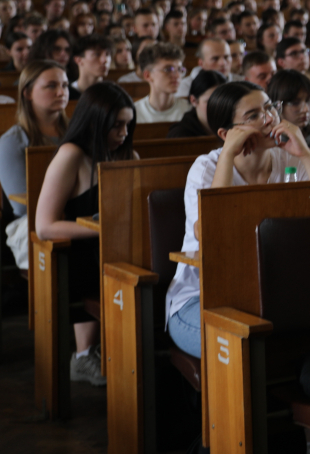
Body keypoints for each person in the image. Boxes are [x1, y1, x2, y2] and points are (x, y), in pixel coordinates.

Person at [164, 81, 310, 358]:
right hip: (200, 298)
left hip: (271, 291)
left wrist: (307, 154)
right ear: (226, 133)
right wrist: (228, 154)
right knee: (244, 345)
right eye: (253, 116)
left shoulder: (290, 159)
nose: (269, 119)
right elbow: (209, 233)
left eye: (270, 108)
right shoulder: (207, 167)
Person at [36, 83, 138, 386]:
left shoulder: (127, 155)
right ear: (95, 122)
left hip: (117, 248)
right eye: (116, 125)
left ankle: (130, 351)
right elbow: (45, 226)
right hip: (80, 251)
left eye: (127, 125)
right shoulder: (71, 155)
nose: (123, 132)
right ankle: (85, 354)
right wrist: (101, 231)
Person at [0, 61, 69, 265]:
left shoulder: (76, 133)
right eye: (51, 86)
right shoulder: (13, 141)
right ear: (27, 92)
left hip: (73, 215)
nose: (61, 92)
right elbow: (22, 206)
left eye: (65, 85)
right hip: (33, 222)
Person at [133, 42, 190, 123]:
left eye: (180, 70)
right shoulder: (134, 113)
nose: (177, 75)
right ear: (148, 75)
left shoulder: (189, 110)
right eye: (168, 69)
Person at [167, 70, 228, 138]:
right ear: (193, 100)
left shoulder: (232, 129)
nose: (217, 107)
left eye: (222, 101)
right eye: (209, 102)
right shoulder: (179, 135)